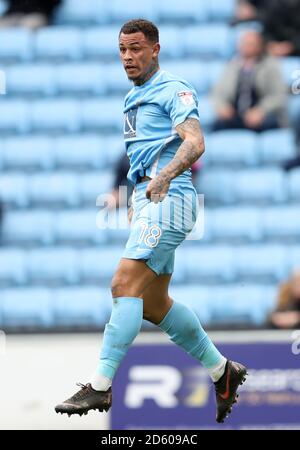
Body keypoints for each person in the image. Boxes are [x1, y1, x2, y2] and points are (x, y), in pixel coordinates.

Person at [55, 19, 247, 424]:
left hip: (170, 197)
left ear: (155, 49)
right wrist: (136, 194)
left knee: (123, 284)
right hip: (148, 201)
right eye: (123, 49)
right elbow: (143, 155)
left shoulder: (174, 89)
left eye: (137, 48)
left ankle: (100, 387)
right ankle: (221, 371)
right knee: (154, 304)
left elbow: (195, 141)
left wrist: (161, 178)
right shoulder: (132, 98)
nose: (128, 56)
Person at [212, 30, 287, 132]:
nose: (245, 47)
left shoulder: (270, 66)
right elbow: (218, 92)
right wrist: (222, 107)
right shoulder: (232, 65)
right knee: (218, 126)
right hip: (236, 115)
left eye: (250, 44)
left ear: (259, 46)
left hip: (262, 116)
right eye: (243, 43)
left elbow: (278, 95)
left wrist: (261, 111)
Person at [232, 0, 300, 57]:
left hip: (295, 46)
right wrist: (269, 45)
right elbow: (267, 27)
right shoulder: (271, 7)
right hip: (270, 43)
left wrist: (290, 46)